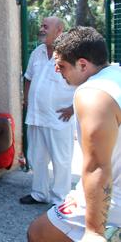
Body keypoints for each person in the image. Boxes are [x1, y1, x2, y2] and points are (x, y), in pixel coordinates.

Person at [28, 27, 121, 241]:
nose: (57, 71)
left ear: (82, 64)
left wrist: (93, 232)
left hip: (113, 195)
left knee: (38, 233)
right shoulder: (116, 73)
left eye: (61, 66)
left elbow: (97, 167)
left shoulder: (92, 94)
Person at [20, 16, 76, 206]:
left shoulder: (71, 54)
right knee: (36, 158)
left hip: (59, 118)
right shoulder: (37, 52)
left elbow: (86, 83)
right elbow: (28, 78)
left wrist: (73, 108)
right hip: (36, 117)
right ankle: (39, 193)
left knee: (61, 161)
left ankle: (60, 199)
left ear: (59, 30)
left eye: (46, 26)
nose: (41, 28)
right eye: (42, 25)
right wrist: (27, 99)